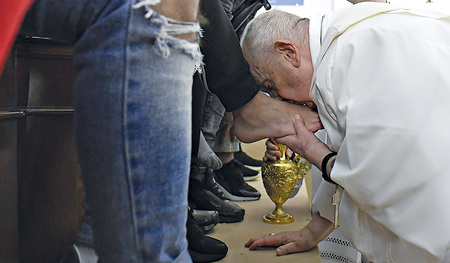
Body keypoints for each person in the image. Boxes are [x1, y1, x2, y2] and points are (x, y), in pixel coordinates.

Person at [241, 3, 450, 262]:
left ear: (288, 53)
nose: (278, 99)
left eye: (270, 86)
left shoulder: (354, 53)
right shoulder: (344, 44)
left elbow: (379, 178)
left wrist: (315, 153)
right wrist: (312, 233)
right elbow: (354, 156)